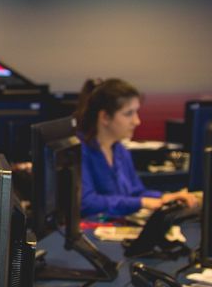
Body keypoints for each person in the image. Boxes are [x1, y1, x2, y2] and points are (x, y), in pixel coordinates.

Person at [75, 78, 199, 218]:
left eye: (136, 112)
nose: (137, 121)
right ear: (105, 117)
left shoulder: (120, 150)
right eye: (129, 114)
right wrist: (141, 202)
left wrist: (164, 197)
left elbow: (136, 192)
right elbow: (87, 203)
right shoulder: (80, 151)